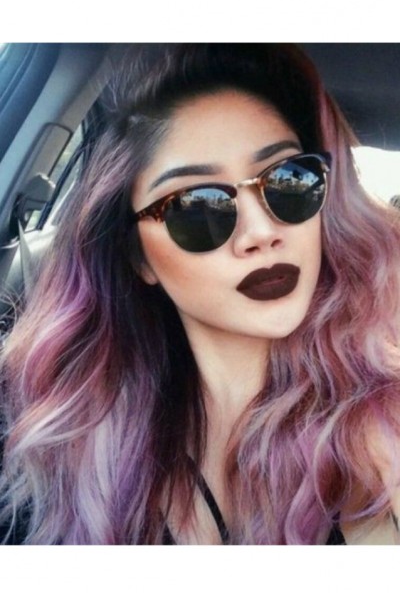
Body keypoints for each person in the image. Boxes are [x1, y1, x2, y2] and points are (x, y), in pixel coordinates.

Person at [1, 43, 400, 545]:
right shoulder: (58, 437)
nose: (261, 232)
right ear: (140, 258)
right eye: (197, 206)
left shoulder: (381, 420)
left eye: (288, 180)